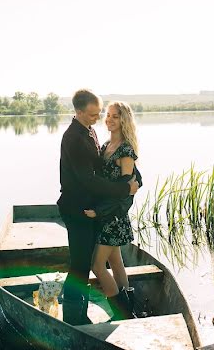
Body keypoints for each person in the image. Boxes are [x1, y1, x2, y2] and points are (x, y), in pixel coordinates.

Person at [57, 89, 139, 326]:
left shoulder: (89, 131)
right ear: (79, 112)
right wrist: (125, 189)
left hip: (98, 211)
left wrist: (132, 185)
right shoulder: (74, 138)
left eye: (101, 113)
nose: (99, 118)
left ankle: (125, 310)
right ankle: (75, 318)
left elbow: (131, 174)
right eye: (94, 114)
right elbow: (88, 180)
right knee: (82, 266)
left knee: (109, 260)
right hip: (78, 210)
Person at [84, 101, 141, 320]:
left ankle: (121, 312)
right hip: (104, 214)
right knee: (115, 261)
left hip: (113, 217)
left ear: (124, 120)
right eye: (108, 115)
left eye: (115, 116)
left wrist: (101, 213)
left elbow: (126, 193)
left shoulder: (126, 150)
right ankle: (129, 308)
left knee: (97, 266)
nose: (109, 119)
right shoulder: (106, 145)